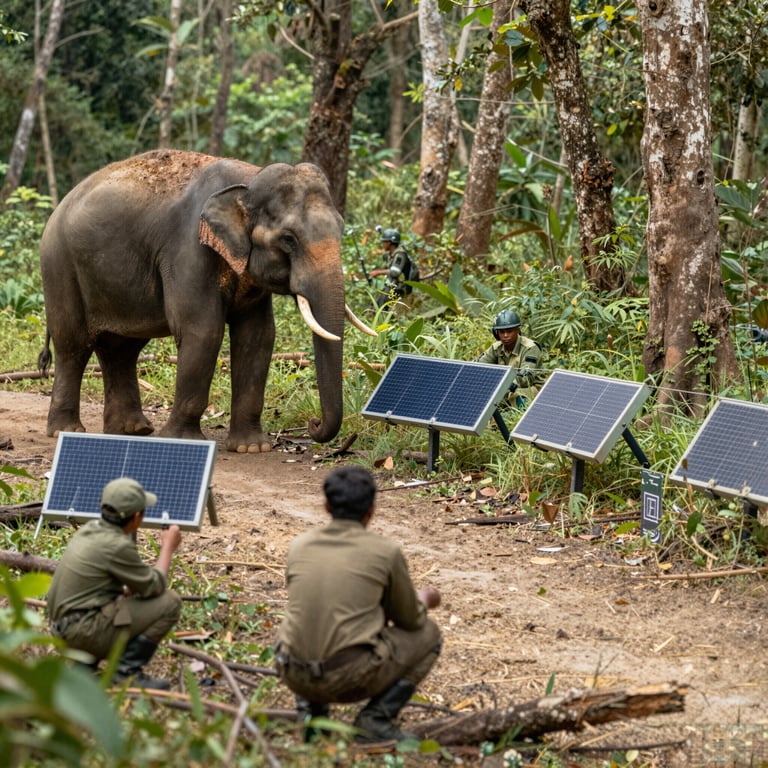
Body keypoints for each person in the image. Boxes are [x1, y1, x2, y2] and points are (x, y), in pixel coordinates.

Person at [274, 465, 442, 743]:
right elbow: (410, 620)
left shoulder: (299, 546)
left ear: (326, 506)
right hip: (348, 678)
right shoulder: (385, 551)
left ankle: (312, 716)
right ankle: (375, 720)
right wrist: (423, 599)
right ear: (371, 510)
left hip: (293, 671)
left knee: (300, 625)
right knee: (430, 634)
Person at [47, 477, 183, 691]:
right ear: (137, 517)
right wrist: (168, 546)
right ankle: (125, 674)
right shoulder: (117, 545)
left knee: (121, 599)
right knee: (170, 602)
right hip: (80, 633)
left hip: (60, 628)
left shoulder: (88, 529)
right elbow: (155, 585)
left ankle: (84, 666)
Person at [477, 309, 545, 408]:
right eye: (502, 332)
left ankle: (519, 415)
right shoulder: (496, 348)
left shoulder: (530, 347)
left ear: (518, 330)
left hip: (533, 389)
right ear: (496, 333)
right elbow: (478, 367)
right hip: (505, 388)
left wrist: (502, 384)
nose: (505, 335)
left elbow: (526, 378)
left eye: (509, 331)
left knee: (516, 395)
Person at [370, 228, 419, 309]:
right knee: (377, 305)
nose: (383, 244)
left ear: (389, 243)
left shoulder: (400, 255)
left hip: (400, 288)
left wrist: (377, 272)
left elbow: (395, 272)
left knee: (383, 307)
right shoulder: (392, 254)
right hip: (393, 286)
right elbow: (385, 256)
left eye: (384, 242)